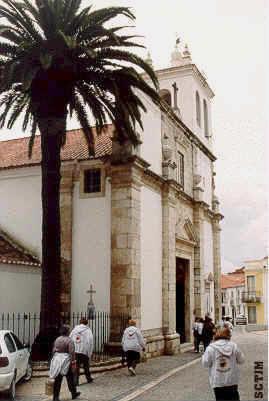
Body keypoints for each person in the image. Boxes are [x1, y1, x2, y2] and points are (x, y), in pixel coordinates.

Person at [202, 327, 245, 401]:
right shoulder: (234, 346)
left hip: (218, 380)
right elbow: (241, 360)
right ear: (229, 335)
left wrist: (203, 356)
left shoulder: (211, 348)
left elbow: (205, 363)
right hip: (231, 380)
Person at [49, 325, 80, 401]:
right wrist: (73, 362)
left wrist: (53, 360)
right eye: (69, 330)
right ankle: (74, 393)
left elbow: (54, 350)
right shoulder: (69, 340)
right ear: (67, 332)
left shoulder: (57, 339)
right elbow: (71, 352)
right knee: (70, 379)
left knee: (58, 380)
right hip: (66, 361)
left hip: (57, 360)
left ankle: (55, 397)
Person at [70, 318, 94, 386]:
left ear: (80, 322)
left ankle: (75, 381)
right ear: (86, 323)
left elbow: (70, 339)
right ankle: (88, 378)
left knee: (76, 366)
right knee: (86, 366)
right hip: (84, 351)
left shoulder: (74, 330)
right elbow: (90, 342)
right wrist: (89, 353)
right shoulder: (88, 330)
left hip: (76, 350)